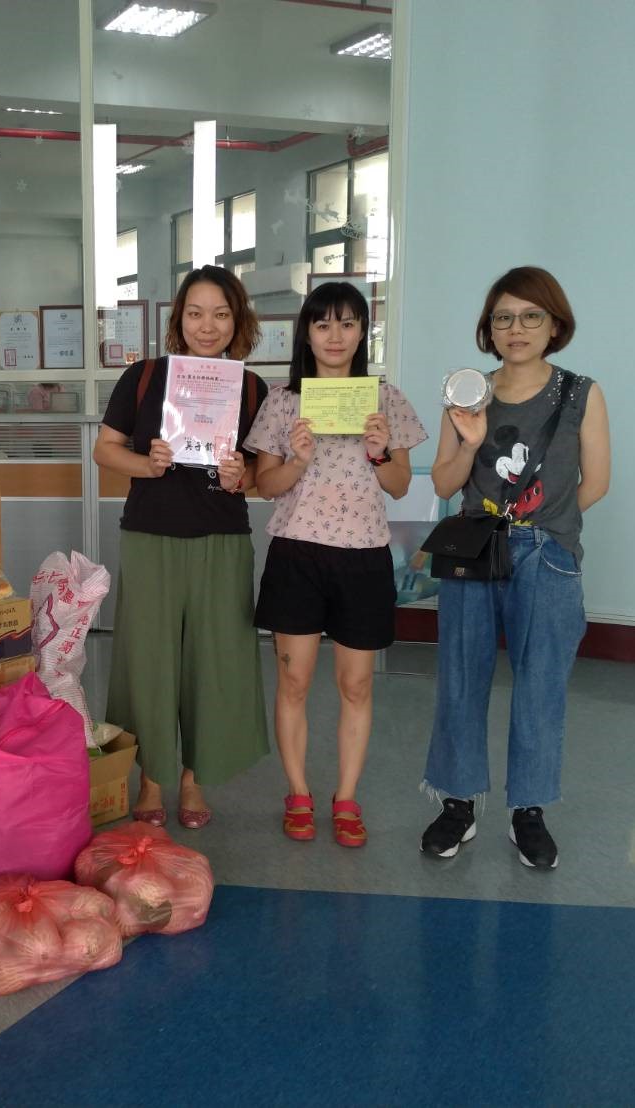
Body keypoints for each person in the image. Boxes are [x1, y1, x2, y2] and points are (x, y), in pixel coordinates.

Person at [419, 266, 610, 869]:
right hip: (473, 553)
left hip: (548, 556)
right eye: (503, 317)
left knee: (541, 686)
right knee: (460, 678)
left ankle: (529, 811)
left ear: (555, 325)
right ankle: (458, 804)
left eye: (531, 316)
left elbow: (596, 482)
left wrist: (539, 527)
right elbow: (445, 483)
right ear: (489, 327)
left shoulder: (581, 393)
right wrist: (471, 442)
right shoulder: (466, 392)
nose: (516, 328)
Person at [245, 281, 426, 846]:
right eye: (322, 323)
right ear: (306, 332)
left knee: (357, 685)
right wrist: (298, 459)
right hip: (297, 553)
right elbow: (265, 485)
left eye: (347, 323)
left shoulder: (385, 399)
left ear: (362, 332)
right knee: (294, 680)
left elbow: (400, 485)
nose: (335, 335)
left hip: (364, 555)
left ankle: (346, 797)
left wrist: (379, 452)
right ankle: (297, 792)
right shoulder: (283, 400)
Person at [93, 265, 270, 828]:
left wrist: (242, 473)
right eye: (195, 313)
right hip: (151, 536)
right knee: (149, 660)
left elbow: (262, 476)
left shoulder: (251, 387)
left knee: (213, 662)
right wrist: (146, 464)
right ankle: (152, 780)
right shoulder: (144, 377)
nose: (207, 326)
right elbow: (104, 450)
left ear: (237, 321)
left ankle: (194, 780)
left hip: (223, 540)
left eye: (220, 314)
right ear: (179, 319)